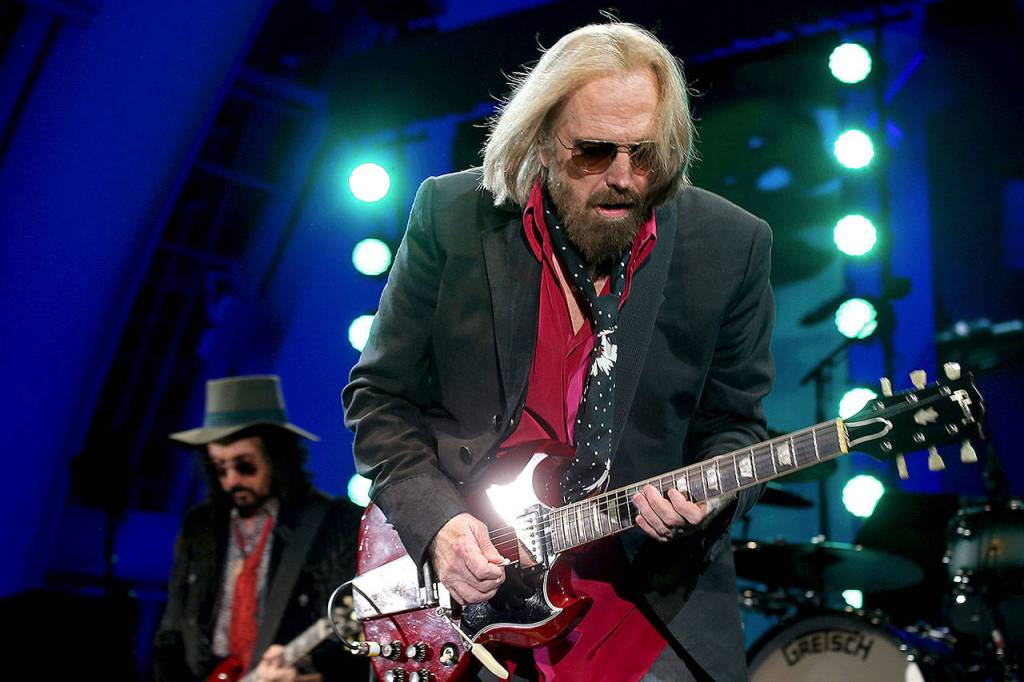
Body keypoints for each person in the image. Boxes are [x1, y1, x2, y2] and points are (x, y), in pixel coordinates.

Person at [343, 21, 774, 681]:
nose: (625, 178)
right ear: (541, 140)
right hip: (468, 584)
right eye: (595, 152)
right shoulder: (451, 215)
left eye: (646, 152)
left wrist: (709, 500)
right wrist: (440, 526)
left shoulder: (732, 245)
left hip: (643, 599)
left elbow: (736, 424)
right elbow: (379, 399)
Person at [153, 375, 367, 682]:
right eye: (219, 468)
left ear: (278, 457)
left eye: (245, 466)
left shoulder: (333, 522)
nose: (231, 480)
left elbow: (350, 639)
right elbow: (171, 634)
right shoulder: (200, 526)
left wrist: (311, 673)